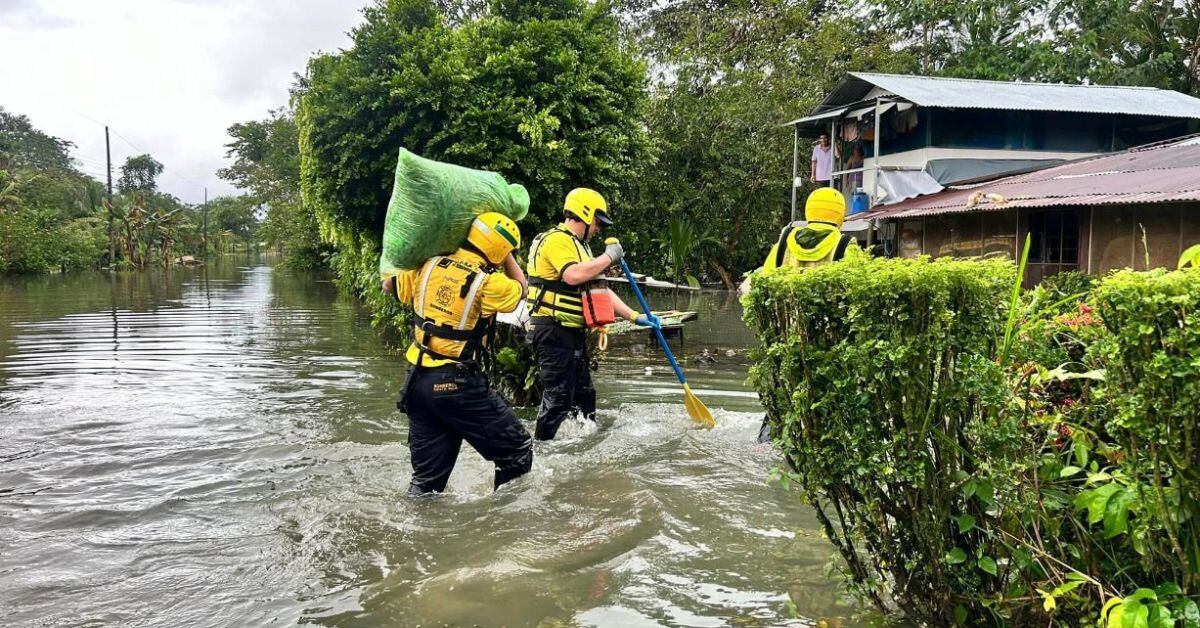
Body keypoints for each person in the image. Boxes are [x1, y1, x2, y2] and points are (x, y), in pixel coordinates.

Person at [383, 212, 533, 495]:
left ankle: (419, 532)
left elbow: (388, 285)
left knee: (427, 483)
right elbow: (522, 289)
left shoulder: (426, 266)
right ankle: (503, 529)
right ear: (500, 249)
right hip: (457, 386)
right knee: (518, 451)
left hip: (417, 384)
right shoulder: (488, 282)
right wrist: (507, 255)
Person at [525, 187, 660, 441]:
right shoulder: (556, 240)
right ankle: (541, 453)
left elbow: (600, 291)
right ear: (585, 215)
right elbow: (572, 275)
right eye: (597, 222)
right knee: (558, 399)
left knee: (585, 396)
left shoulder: (582, 248)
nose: (598, 228)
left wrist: (636, 316)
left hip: (572, 334)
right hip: (552, 332)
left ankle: (583, 450)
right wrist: (608, 257)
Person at [753, 187, 857, 444]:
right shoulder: (845, 246)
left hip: (783, 338)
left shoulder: (784, 242)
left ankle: (765, 446)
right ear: (840, 215)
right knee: (822, 404)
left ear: (808, 210)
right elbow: (855, 295)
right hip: (826, 343)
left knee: (782, 400)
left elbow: (761, 284)